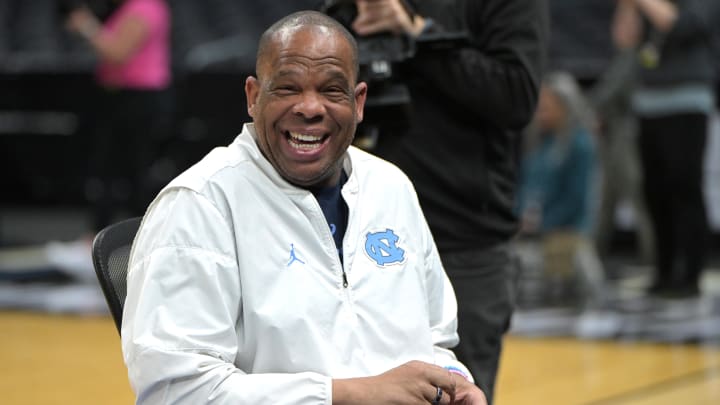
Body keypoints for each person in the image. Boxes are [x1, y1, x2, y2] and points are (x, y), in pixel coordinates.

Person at [121, 10, 486, 404]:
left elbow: (435, 337)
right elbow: (176, 391)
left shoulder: (390, 186)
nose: (310, 108)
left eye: (331, 91)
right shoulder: (200, 205)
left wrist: (454, 382)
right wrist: (345, 395)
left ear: (359, 102)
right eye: (288, 89)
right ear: (253, 97)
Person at [350, 0, 549, 402]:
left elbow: (515, 95)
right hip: (357, 240)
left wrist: (418, 33)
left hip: (462, 242)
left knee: (460, 395)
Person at [617, 0, 720, 298]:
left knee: (685, 186)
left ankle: (691, 275)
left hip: (687, 100)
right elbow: (624, 39)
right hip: (648, 102)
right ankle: (663, 271)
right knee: (654, 191)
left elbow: (681, 27)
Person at [65, 0, 173, 232]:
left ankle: (143, 238)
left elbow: (117, 52)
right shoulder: (129, 7)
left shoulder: (145, 6)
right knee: (110, 171)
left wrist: (86, 25)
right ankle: (98, 238)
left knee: (135, 174)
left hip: (140, 99)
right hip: (122, 99)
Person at [515, 72, 604, 310]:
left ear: (566, 106)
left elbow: (576, 200)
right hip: (530, 229)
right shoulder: (537, 143)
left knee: (553, 255)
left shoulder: (580, 145)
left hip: (567, 231)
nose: (541, 112)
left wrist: (540, 223)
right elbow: (523, 188)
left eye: (548, 106)